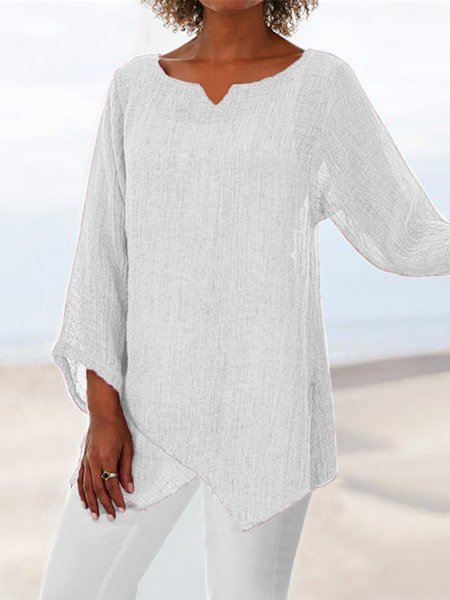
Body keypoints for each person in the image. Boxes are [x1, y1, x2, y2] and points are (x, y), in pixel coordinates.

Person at [39, 0, 450, 598]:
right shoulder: (134, 89)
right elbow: (104, 253)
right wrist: (104, 412)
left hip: (267, 412)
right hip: (147, 413)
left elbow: (403, 231)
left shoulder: (321, 87)